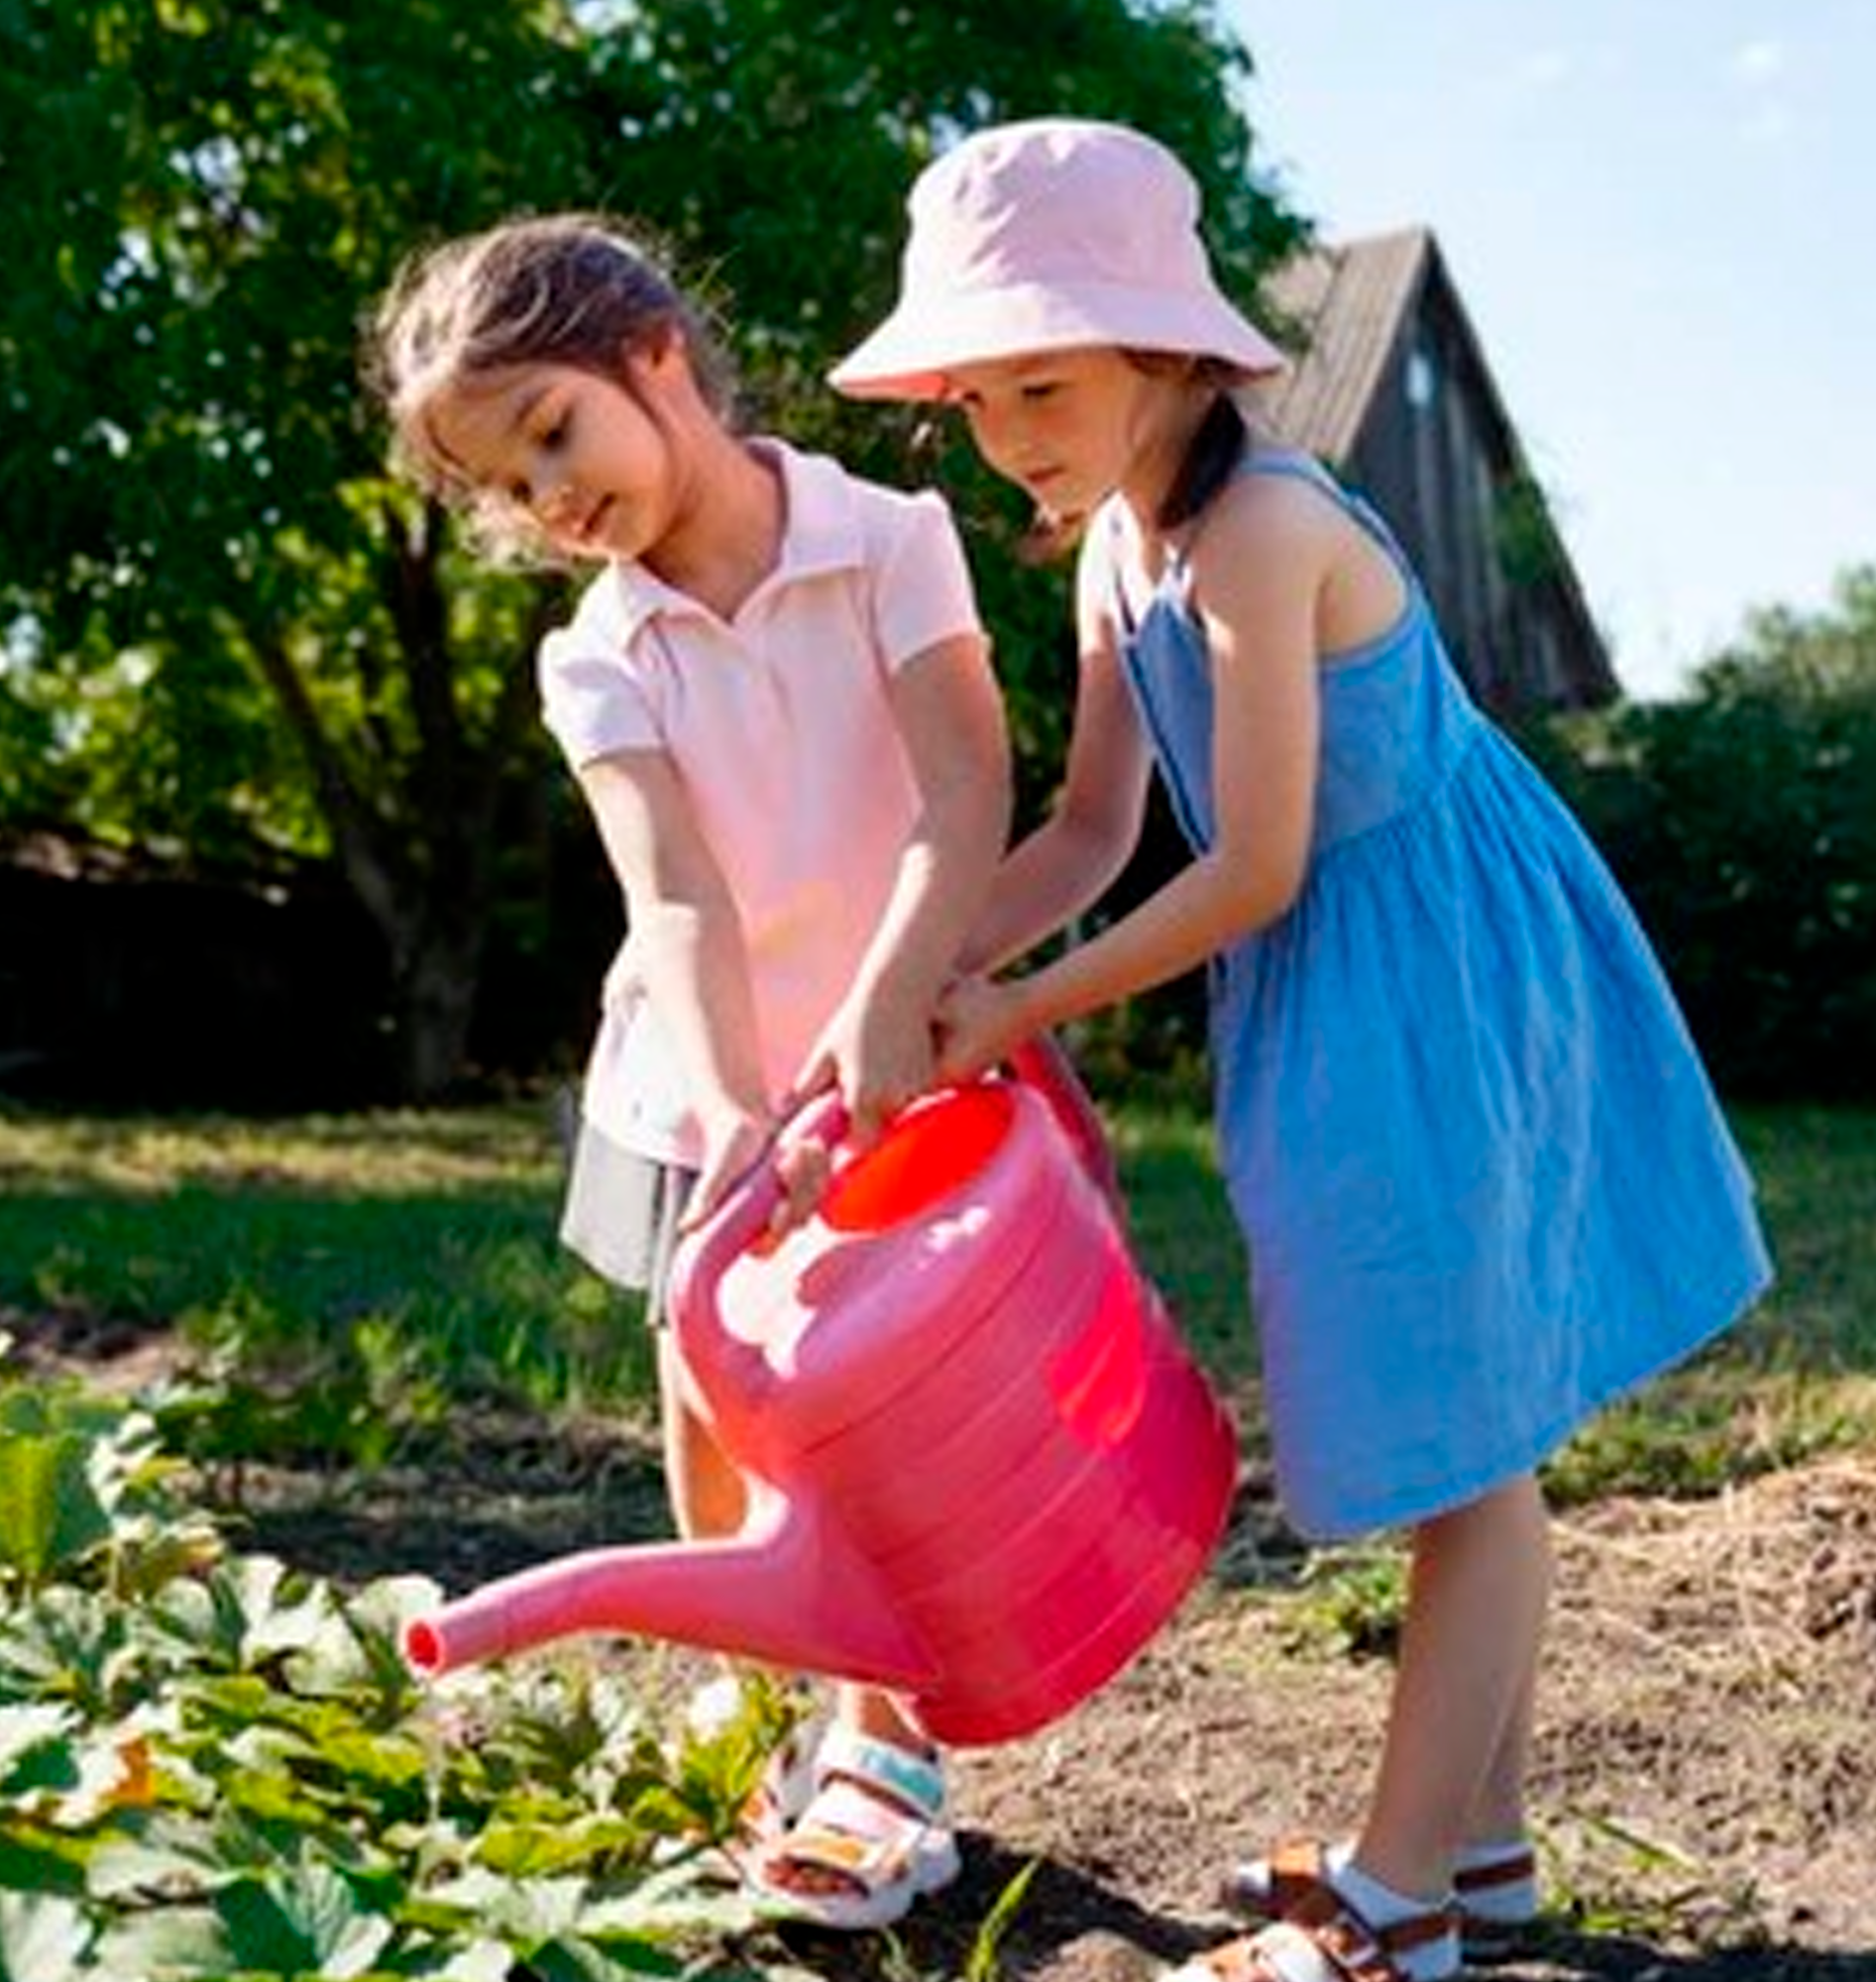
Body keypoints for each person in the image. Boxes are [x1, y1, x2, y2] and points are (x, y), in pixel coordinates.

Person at [831, 119, 1774, 1982]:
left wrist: (1016, 1012)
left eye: (1049, 377)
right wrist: (915, 969)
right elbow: (1101, 834)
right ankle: (1483, 1851)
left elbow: (1253, 864)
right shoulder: (1115, 550)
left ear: (1169, 351)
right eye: (982, 392)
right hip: (1326, 993)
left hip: (1434, 969)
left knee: (1467, 1444)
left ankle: (1397, 1894)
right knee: (1449, 1418)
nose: (1013, 427)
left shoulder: (1264, 531)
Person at [368, 211, 1012, 1930]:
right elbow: (674, 894)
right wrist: (732, 1103)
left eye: (553, 434)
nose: (546, 501)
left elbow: (965, 797)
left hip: (890, 1073)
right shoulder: (598, 655)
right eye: (508, 487)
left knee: (866, 1415)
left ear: (654, 351)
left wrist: (882, 1011)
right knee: (709, 1388)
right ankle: (762, 1697)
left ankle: (885, 1748)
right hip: (696, 1073)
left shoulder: (891, 540)